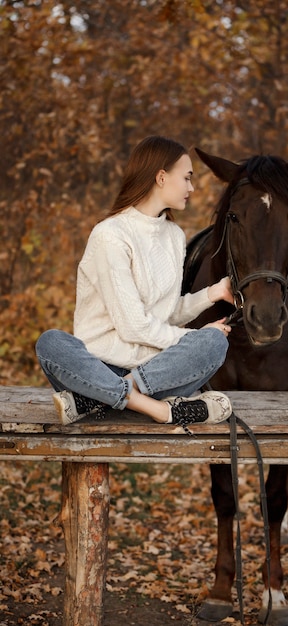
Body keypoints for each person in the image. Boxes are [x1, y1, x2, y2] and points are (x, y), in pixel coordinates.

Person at [35, 136, 234, 431]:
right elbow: (134, 326)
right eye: (187, 178)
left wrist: (214, 293)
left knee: (214, 342)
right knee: (51, 343)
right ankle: (158, 410)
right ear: (161, 177)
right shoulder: (111, 235)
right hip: (97, 367)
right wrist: (185, 339)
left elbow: (164, 312)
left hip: (153, 372)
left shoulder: (174, 236)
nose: (192, 188)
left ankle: (96, 400)